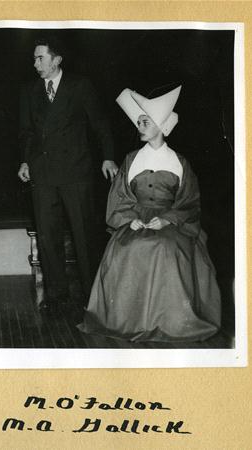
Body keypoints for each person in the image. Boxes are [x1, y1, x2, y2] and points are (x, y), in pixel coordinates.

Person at [78, 85, 222, 342]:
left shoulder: (180, 162)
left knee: (164, 246)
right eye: (139, 121)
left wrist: (167, 219)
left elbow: (190, 203)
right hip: (134, 220)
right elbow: (119, 198)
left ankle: (169, 320)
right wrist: (129, 220)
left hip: (172, 222)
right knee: (130, 248)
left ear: (161, 125)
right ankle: (128, 320)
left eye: (145, 121)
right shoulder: (131, 160)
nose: (140, 125)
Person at [18, 37, 118, 313]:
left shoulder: (80, 86)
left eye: (40, 58)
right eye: (35, 58)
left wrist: (108, 156)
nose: (35, 63)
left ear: (57, 59)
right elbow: (26, 133)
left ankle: (92, 296)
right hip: (43, 174)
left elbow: (99, 123)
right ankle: (56, 295)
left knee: (84, 236)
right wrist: (25, 162)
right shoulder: (29, 91)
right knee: (48, 238)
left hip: (76, 172)